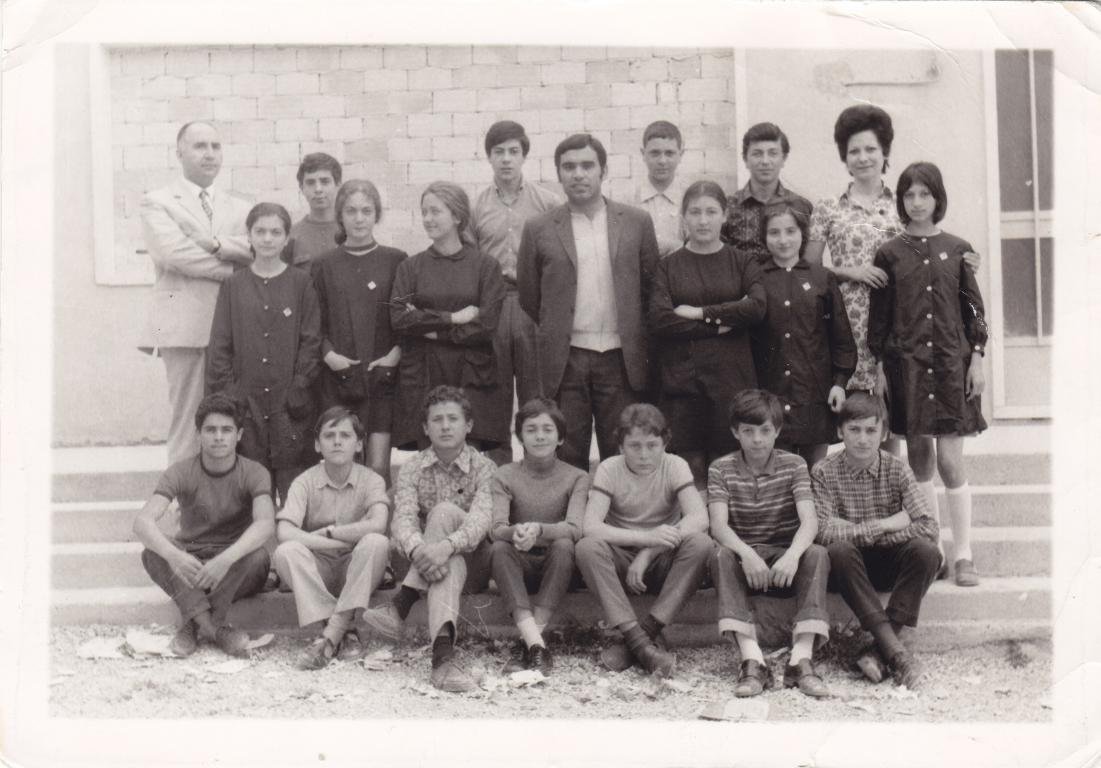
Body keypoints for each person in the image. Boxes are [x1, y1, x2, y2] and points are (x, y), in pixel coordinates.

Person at [869, 161, 988, 588]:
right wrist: (880, 368)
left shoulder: (958, 249)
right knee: (919, 457)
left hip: (952, 367)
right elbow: (879, 319)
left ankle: (964, 554)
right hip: (909, 367)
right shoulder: (889, 253)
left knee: (950, 461)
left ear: (938, 198)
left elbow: (974, 310)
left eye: (925, 194)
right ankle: (933, 549)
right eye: (909, 195)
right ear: (901, 201)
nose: (917, 202)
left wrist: (977, 358)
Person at [517, 133, 660, 470]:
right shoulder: (538, 228)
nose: (578, 174)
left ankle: (617, 507)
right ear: (559, 174)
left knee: (621, 453)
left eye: (587, 165)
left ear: (603, 170)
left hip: (621, 359)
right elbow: (530, 295)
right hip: (567, 359)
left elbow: (650, 286)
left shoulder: (637, 222)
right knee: (567, 455)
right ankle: (574, 508)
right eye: (569, 167)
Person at [359, 386, 496, 693]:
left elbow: (481, 520)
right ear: (425, 427)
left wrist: (443, 548)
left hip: (476, 565)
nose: (445, 426)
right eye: (437, 420)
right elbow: (403, 519)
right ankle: (442, 660)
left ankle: (403, 601)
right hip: (437, 568)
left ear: (469, 425)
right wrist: (422, 551)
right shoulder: (412, 468)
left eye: (453, 419)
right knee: (449, 560)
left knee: (444, 512)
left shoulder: (486, 468)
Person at [138, 121, 253, 464]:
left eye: (216, 146)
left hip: (236, 325)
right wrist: (233, 269)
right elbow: (174, 254)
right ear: (179, 153)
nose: (209, 154)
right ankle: (183, 495)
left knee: (235, 419)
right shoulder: (158, 202)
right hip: (185, 327)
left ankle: (229, 495)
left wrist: (216, 243)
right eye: (200, 146)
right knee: (189, 420)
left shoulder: (242, 208)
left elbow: (256, 248)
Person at [707, 389, 830, 699]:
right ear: (735, 432)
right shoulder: (720, 468)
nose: (757, 439)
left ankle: (801, 658)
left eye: (765, 430)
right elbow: (718, 525)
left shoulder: (794, 464)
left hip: (784, 558)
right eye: (748, 431)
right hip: (746, 558)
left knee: (817, 553)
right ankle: (752, 659)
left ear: (777, 430)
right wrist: (746, 554)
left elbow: (810, 521)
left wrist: (792, 556)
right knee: (720, 555)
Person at [812, 393, 941, 689]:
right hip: (847, 570)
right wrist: (890, 523)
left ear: (883, 434)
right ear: (840, 432)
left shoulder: (897, 468)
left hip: (888, 563)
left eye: (871, 430)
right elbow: (823, 532)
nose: (863, 439)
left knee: (927, 552)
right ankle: (897, 655)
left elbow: (928, 526)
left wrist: (870, 529)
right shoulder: (823, 471)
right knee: (839, 550)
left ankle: (879, 649)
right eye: (854, 430)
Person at [132, 393, 274, 658]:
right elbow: (142, 522)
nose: (218, 437)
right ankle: (212, 629)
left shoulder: (254, 472)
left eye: (226, 430)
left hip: (234, 566)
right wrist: (175, 556)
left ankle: (193, 622)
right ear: (198, 435)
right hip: (192, 564)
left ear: (239, 435)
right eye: (210, 430)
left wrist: (225, 559)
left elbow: (265, 523)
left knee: (259, 557)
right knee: (152, 553)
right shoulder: (180, 471)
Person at [576, 404, 712, 676]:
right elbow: (590, 526)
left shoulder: (675, 465)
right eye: (634, 446)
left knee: (701, 544)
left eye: (652, 445)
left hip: (662, 559)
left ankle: (644, 635)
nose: (644, 454)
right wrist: (644, 537)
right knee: (586, 548)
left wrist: (649, 550)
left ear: (665, 444)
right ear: (620, 446)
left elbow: (700, 518)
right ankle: (640, 642)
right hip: (621, 560)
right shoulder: (609, 468)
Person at [649, 180, 766, 480]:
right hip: (683, 379)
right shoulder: (668, 266)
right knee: (690, 468)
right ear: (683, 217)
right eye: (695, 212)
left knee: (728, 467)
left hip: (731, 377)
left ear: (725, 215)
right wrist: (719, 327)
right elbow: (661, 320)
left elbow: (756, 308)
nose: (703, 220)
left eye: (711, 212)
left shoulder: (742, 262)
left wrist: (701, 312)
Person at [206, 202, 322, 504]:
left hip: (289, 402)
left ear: (286, 238)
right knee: (253, 492)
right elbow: (220, 345)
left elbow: (311, 339)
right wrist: (232, 395)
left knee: (295, 489)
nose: (268, 239)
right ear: (249, 235)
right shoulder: (233, 285)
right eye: (260, 231)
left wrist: (300, 385)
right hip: (248, 402)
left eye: (275, 232)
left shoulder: (301, 283)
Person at [391, 182, 508, 454]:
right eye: (424, 212)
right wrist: (452, 318)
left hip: (470, 373)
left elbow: (486, 325)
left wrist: (431, 329)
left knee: (470, 459)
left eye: (435, 211)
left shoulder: (485, 266)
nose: (427, 219)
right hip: (425, 372)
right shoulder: (411, 267)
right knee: (429, 458)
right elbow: (399, 318)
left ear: (457, 216)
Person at [273, 406, 392, 670]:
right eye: (329, 436)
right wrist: (339, 542)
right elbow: (285, 532)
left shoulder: (372, 480)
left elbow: (378, 524)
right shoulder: (304, 481)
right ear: (317, 445)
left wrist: (331, 531)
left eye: (345, 435)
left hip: (358, 566)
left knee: (376, 542)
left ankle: (330, 635)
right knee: (286, 552)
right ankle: (344, 630)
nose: (337, 441)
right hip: (320, 571)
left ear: (359, 444)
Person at [471, 121, 563, 440]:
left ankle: (537, 463)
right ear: (489, 157)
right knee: (493, 393)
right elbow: (471, 261)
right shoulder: (476, 207)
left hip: (532, 304)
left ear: (524, 155)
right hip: (493, 303)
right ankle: (498, 465)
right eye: (499, 152)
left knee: (535, 393)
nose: (506, 159)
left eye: (513, 151)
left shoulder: (548, 203)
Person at [312, 179, 406, 482]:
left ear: (377, 214)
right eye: (351, 211)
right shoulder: (324, 264)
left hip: (382, 377)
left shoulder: (396, 260)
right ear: (340, 216)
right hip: (339, 377)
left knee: (377, 468)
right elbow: (313, 322)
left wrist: (396, 354)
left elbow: (406, 316)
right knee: (343, 465)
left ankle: (379, 513)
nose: (359, 218)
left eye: (366, 211)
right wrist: (329, 356)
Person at [489, 398, 589, 675]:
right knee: (499, 548)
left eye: (547, 429)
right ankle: (536, 645)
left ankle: (529, 641)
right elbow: (497, 528)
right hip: (519, 565)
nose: (540, 436)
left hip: (560, 569)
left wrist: (539, 530)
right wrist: (517, 531)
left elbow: (575, 528)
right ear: (520, 437)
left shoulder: (577, 477)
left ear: (560, 438)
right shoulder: (504, 474)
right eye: (531, 430)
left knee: (564, 544)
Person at [752, 203, 856, 468]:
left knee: (814, 470)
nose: (783, 240)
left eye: (791, 231)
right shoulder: (755, 278)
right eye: (774, 232)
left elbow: (841, 337)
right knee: (776, 470)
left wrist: (839, 383)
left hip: (814, 393)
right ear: (764, 236)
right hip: (770, 392)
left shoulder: (822, 277)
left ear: (803, 233)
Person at [720, 122, 813, 264]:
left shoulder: (801, 206)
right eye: (757, 154)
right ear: (745, 159)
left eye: (773, 153)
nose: (765, 161)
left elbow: (809, 263)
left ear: (783, 159)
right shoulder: (728, 207)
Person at [634, 120, 687, 258]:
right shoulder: (629, 200)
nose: (662, 161)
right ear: (643, 154)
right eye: (655, 153)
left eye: (669, 153)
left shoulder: (689, 199)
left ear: (680, 155)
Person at [284, 152, 342, 267]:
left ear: (337, 185)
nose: (318, 189)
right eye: (310, 183)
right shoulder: (292, 236)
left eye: (325, 182)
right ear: (302, 188)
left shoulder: (351, 231)